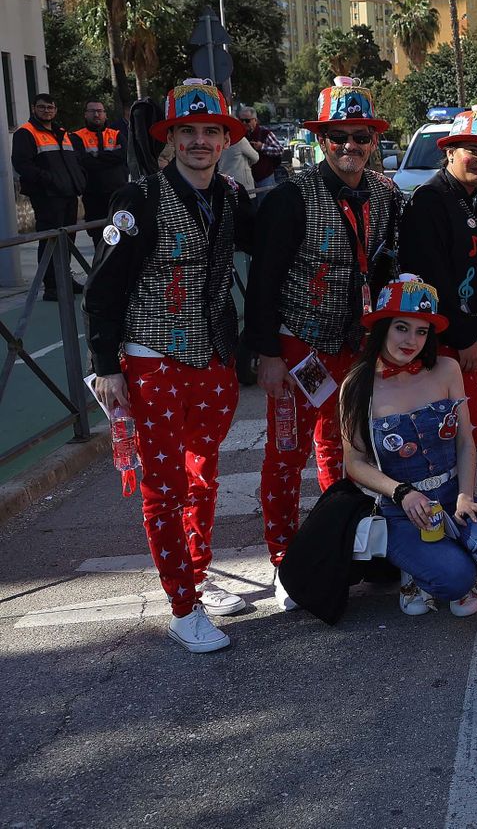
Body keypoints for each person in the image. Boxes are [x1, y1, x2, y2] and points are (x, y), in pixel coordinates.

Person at [83, 80, 255, 652]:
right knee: (163, 486)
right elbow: (103, 288)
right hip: (152, 360)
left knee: (203, 474)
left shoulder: (231, 196)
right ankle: (182, 607)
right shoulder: (140, 201)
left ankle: (198, 575)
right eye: (189, 132)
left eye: (211, 131)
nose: (200, 141)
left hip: (213, 359)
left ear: (226, 139)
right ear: (172, 138)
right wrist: (107, 365)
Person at [244, 77, 402, 589]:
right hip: (298, 345)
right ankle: (283, 559)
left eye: (361, 137)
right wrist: (267, 353)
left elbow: (383, 269)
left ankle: (339, 541)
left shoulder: (385, 194)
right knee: (287, 451)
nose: (351, 147)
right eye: (340, 137)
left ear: (374, 141)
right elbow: (262, 282)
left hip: (353, 345)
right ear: (321, 140)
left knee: (345, 446)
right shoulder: (290, 198)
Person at [336, 276, 477, 617]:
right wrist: (403, 493)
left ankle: (441, 563)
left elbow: (465, 441)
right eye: (402, 328)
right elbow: (355, 463)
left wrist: (466, 495)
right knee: (454, 579)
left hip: (452, 496)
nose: (411, 341)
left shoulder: (447, 369)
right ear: (383, 328)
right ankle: (427, 571)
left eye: (422, 331)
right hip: (401, 510)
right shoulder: (358, 385)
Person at [399, 106, 477, 445]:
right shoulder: (430, 201)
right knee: (459, 432)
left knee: (470, 433)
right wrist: (462, 339)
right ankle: (453, 499)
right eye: (473, 151)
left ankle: (463, 496)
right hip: (452, 342)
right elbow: (429, 278)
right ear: (449, 152)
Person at [11, 92, 86, 300]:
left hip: (68, 194)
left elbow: (74, 161)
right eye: (43, 107)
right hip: (47, 196)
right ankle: (52, 287)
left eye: (50, 107)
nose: (47, 111)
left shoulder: (61, 132)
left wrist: (79, 180)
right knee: (50, 241)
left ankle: (65, 280)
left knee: (67, 240)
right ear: (34, 108)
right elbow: (22, 164)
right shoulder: (25, 133)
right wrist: (49, 180)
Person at [75, 99, 127, 245]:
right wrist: (109, 158)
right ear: (86, 115)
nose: (96, 114)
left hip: (118, 194)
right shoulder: (77, 136)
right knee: (99, 240)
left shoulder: (116, 134)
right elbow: (83, 161)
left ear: (105, 115)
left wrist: (96, 155)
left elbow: (123, 155)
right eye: (92, 111)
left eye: (100, 111)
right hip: (93, 196)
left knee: (122, 236)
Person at [241, 108, 286, 192]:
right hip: (247, 179)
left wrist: (262, 147)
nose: (244, 123)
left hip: (265, 178)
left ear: (255, 120)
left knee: (266, 203)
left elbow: (280, 150)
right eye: (241, 120)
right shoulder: (241, 135)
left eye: (247, 121)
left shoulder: (265, 133)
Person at [218, 106, 259, 192]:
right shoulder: (240, 140)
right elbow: (255, 157)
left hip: (224, 181)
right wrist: (248, 163)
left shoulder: (218, 139)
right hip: (242, 183)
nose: (243, 123)